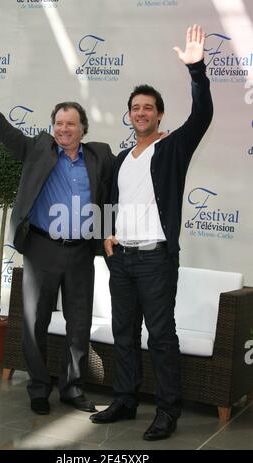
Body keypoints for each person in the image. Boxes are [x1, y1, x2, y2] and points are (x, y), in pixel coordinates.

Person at [0, 60, 115, 415]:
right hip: (42, 249)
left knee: (78, 324)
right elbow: (6, 132)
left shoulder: (101, 156)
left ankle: (72, 388)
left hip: (81, 253)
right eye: (59, 124)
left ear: (83, 128)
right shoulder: (37, 149)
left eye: (71, 124)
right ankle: (38, 388)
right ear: (53, 127)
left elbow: (114, 193)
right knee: (35, 323)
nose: (64, 129)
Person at [90, 24, 213, 440]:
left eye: (148, 107)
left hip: (156, 260)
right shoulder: (123, 157)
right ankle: (124, 400)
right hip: (122, 261)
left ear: (159, 113)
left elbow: (203, 116)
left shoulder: (172, 147)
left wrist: (196, 71)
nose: (140, 113)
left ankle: (166, 411)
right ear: (129, 114)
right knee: (123, 334)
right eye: (135, 108)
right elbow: (109, 198)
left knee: (161, 336)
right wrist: (106, 234)